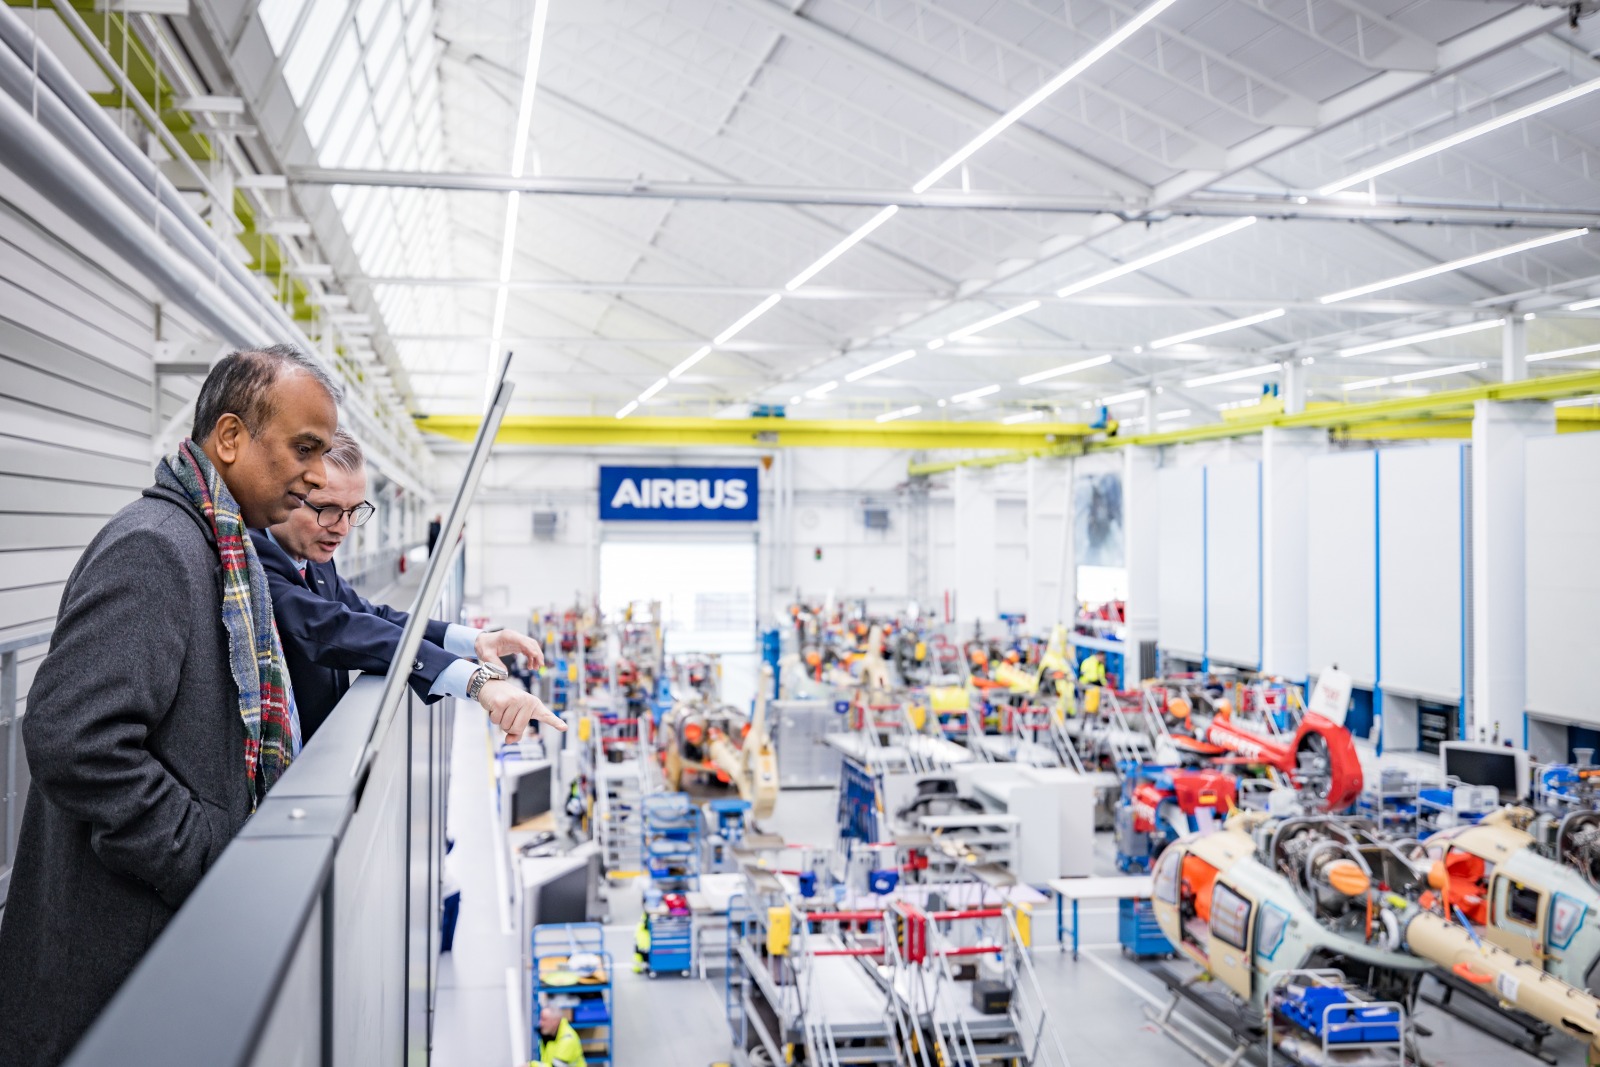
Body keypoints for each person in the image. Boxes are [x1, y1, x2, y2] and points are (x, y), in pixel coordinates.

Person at [0, 346, 341, 1067]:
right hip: (111, 961)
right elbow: (71, 737)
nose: (319, 474)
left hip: (152, 942)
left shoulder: (221, 549)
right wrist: (205, 848)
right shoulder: (157, 547)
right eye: (305, 448)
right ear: (230, 438)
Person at [250, 431, 560, 742]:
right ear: (285, 492)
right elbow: (331, 627)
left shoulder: (311, 553)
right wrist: (475, 681)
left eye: (354, 511)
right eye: (327, 509)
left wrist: (475, 640)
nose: (343, 528)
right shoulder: (253, 561)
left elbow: (366, 615)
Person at [534, 1002, 586, 1067]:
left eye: (544, 1019)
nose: (540, 1023)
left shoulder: (567, 1039)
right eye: (540, 1019)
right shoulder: (549, 1036)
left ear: (555, 1021)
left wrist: (532, 1065)